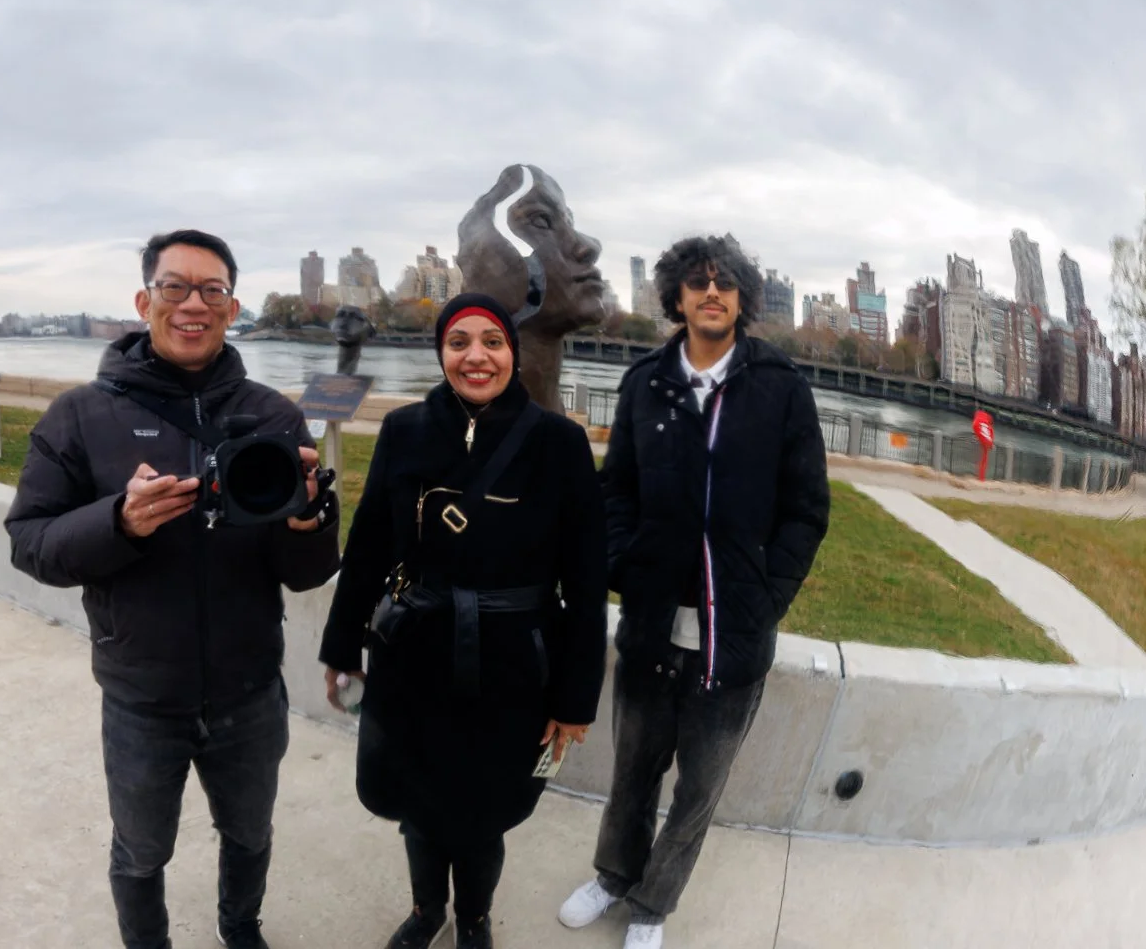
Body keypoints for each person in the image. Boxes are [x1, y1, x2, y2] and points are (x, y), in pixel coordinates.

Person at [4, 229, 342, 949]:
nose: (194, 304)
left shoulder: (274, 415)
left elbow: (306, 571)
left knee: (250, 831)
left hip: (250, 689)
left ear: (232, 308)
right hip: (141, 695)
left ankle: (239, 928)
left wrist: (311, 518)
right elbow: (30, 543)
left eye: (212, 290)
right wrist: (119, 522)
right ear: (144, 300)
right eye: (175, 287)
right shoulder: (80, 416)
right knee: (140, 851)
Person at [558, 235, 830, 949]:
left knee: (699, 790)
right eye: (699, 282)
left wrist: (765, 599)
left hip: (733, 635)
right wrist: (626, 565)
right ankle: (614, 875)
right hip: (651, 622)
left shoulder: (780, 387)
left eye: (726, 283)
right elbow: (615, 491)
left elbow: (806, 510)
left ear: (743, 298)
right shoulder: (645, 383)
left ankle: (652, 905)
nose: (712, 292)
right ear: (676, 295)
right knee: (632, 772)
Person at [319, 292, 609, 949]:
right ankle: (428, 912)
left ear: (513, 353)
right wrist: (342, 648)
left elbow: (587, 585)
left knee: (483, 814)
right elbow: (368, 550)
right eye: (459, 342)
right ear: (442, 353)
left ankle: (474, 917)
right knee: (420, 808)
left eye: (492, 341)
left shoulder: (559, 444)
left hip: (514, 666)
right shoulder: (404, 430)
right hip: (413, 656)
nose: (476, 356)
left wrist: (575, 699)